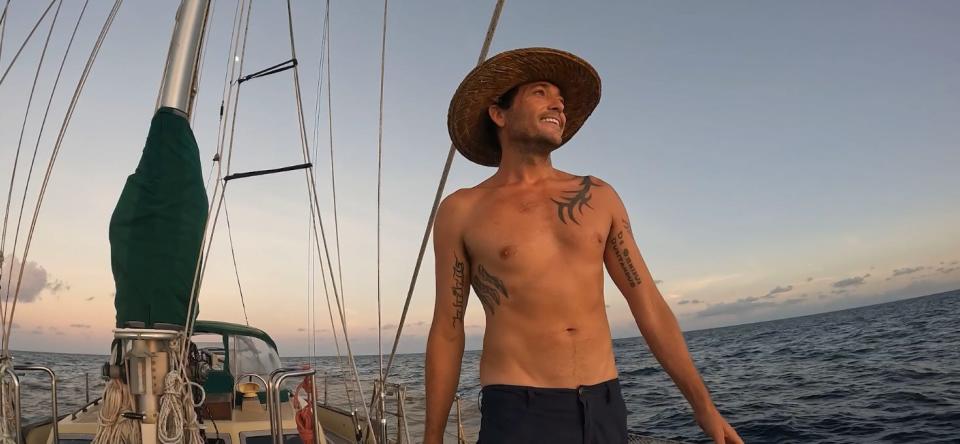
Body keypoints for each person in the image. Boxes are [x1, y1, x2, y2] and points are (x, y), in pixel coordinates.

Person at [424, 47, 742, 444]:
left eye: (560, 99)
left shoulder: (599, 196)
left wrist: (704, 407)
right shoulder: (463, 209)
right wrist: (432, 436)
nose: (558, 103)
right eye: (541, 92)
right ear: (499, 114)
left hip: (605, 404)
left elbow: (648, 303)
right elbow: (448, 330)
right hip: (519, 409)